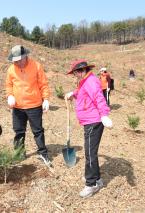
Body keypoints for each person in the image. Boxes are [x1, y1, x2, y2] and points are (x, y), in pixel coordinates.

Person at [65, 59, 113, 198]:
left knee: (90, 154)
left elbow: (99, 98)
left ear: (82, 71)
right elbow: (82, 92)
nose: (76, 75)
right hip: (89, 121)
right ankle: (97, 179)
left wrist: (104, 115)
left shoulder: (90, 81)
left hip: (94, 122)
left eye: (76, 73)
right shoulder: (85, 80)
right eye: (75, 74)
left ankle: (91, 184)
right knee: (91, 152)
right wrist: (73, 94)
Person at [5, 45, 51, 167]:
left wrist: (45, 99)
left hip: (34, 105)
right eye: (15, 61)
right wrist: (10, 95)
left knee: (38, 131)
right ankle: (19, 153)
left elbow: (43, 84)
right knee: (19, 131)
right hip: (18, 107)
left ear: (26, 56)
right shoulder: (11, 70)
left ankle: (43, 153)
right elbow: (9, 85)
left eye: (20, 60)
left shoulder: (36, 66)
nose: (18, 63)